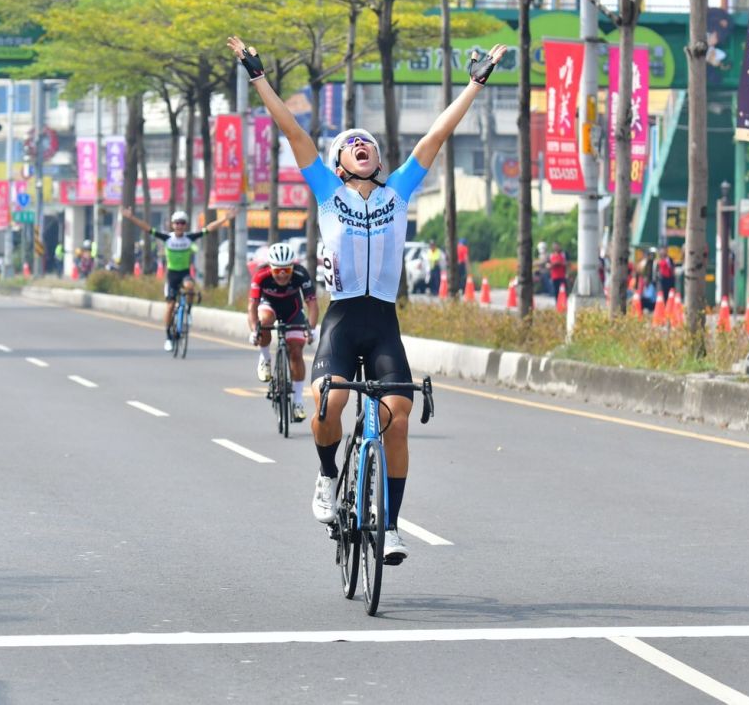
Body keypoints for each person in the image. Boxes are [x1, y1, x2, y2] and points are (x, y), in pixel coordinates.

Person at [229, 33, 507, 565]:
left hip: (382, 320)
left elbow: (436, 135)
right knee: (328, 402)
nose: (363, 145)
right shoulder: (327, 192)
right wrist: (257, 75)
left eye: (370, 143)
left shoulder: (398, 191)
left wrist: (475, 83)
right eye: (352, 143)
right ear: (337, 161)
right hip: (341, 316)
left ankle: (393, 527)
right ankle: (328, 477)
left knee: (396, 415)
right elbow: (291, 129)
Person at [119, 206, 234, 351]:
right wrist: (131, 217)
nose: (179, 225)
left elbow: (209, 228)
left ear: (185, 226)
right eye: (177, 223)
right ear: (172, 225)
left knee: (190, 288)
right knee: (170, 306)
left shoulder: (189, 238)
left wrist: (225, 219)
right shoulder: (167, 238)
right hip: (172, 276)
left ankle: (189, 311)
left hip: (184, 273)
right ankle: (168, 337)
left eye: (182, 223)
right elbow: (147, 228)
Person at [249, 242, 319, 422]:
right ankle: (265, 358)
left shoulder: (301, 273)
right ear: (270, 267)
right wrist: (254, 330)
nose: (281, 275)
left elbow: (312, 304)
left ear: (292, 267)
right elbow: (252, 306)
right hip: (269, 306)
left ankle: (297, 401)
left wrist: (311, 329)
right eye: (277, 270)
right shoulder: (260, 275)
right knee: (264, 322)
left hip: (293, 310)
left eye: (286, 271)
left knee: (296, 351)